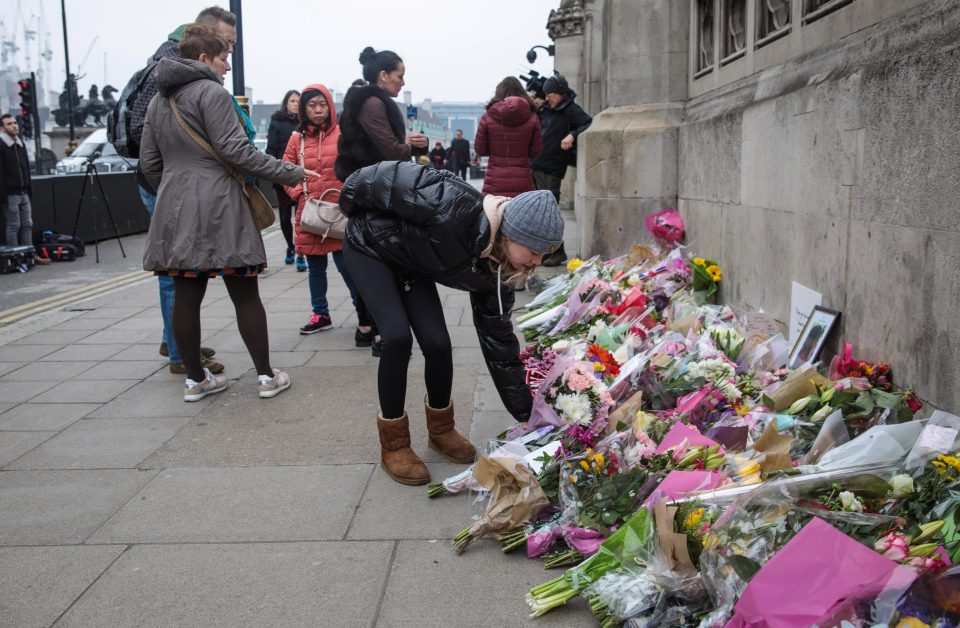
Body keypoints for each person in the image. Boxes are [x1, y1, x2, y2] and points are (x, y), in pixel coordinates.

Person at [340, 161, 563, 486]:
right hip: (369, 246)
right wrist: (350, 209)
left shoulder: (498, 272)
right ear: (511, 233)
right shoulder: (449, 202)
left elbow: (500, 346)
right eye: (535, 251)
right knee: (397, 338)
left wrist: (532, 418)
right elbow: (372, 179)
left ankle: (441, 430)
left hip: (411, 265)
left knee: (438, 343)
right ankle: (395, 445)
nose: (538, 262)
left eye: (546, 255)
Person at [140, 24, 319, 402]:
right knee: (244, 292)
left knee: (186, 294)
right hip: (221, 202)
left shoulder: (159, 101)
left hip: (176, 206)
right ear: (204, 58)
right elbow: (237, 151)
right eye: (223, 58)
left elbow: (149, 163)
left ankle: (194, 381)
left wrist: (178, 188)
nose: (226, 66)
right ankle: (267, 377)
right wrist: (292, 172)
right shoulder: (212, 94)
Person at [129, 5, 237, 376]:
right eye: (227, 45)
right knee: (179, 276)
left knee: (184, 274)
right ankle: (180, 355)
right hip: (170, 185)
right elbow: (147, 141)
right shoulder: (167, 74)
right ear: (202, 38)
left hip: (177, 183)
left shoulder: (177, 73)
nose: (231, 55)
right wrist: (177, 185)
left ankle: (176, 343)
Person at [336, 46, 429, 356]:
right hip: (372, 189)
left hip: (370, 187)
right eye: (399, 76)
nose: (402, 82)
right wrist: (409, 146)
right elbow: (389, 149)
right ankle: (375, 330)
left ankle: (371, 328)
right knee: (376, 258)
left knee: (372, 256)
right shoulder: (374, 103)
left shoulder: (370, 100)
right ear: (383, 75)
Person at [281, 84, 372, 339]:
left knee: (348, 266)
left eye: (322, 104)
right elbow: (284, 168)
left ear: (330, 106)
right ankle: (320, 314)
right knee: (315, 268)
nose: (317, 110)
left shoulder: (343, 134)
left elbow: (356, 166)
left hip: (339, 211)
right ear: (303, 109)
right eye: (311, 106)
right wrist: (298, 192)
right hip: (309, 212)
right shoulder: (295, 138)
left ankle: (364, 313)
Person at [530, 73, 592, 267]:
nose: (549, 98)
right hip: (536, 165)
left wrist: (572, 135)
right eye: (547, 94)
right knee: (538, 212)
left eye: (552, 94)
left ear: (561, 93)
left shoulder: (570, 109)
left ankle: (557, 253)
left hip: (552, 168)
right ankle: (547, 251)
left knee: (549, 212)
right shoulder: (546, 109)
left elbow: (588, 123)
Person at [474, 76, 542, 198]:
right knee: (522, 213)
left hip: (494, 181)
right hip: (522, 180)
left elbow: (480, 149)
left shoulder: (488, 116)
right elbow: (536, 150)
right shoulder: (532, 117)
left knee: (493, 214)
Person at [0, 114, 49, 266]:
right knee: (14, 225)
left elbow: (26, 169)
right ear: (2, 128)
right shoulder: (2, 145)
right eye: (9, 124)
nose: (14, 126)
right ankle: (15, 257)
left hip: (24, 192)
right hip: (10, 194)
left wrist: (29, 189)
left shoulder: (19, 144)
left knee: (27, 224)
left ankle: (30, 254)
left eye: (15, 123)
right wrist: (3, 196)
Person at [266, 89, 301, 269]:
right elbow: (270, 150)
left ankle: (301, 252)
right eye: (292, 100)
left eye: (298, 101)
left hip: (302, 175)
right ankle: (290, 247)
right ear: (286, 103)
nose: (296, 103)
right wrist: (274, 170)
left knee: (301, 217)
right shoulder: (277, 122)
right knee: (285, 217)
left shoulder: (305, 123)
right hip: (282, 175)